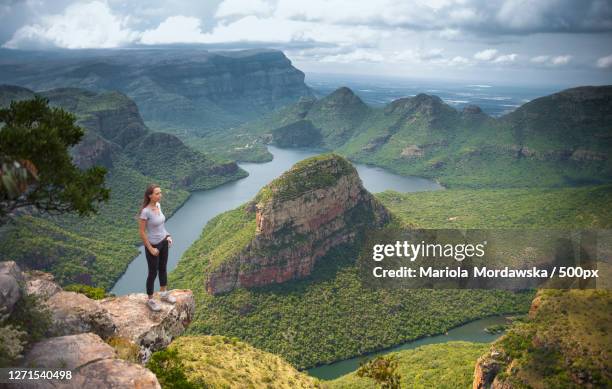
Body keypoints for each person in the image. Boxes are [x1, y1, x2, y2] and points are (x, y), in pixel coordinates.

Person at [139, 184, 176, 311]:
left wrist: (168, 235)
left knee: (163, 268)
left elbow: (161, 226)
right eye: (157, 193)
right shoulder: (145, 212)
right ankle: (150, 300)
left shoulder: (158, 206)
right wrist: (150, 248)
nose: (160, 195)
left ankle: (163, 294)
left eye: (160, 193)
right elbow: (142, 232)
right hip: (153, 245)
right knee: (152, 273)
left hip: (163, 242)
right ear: (150, 195)